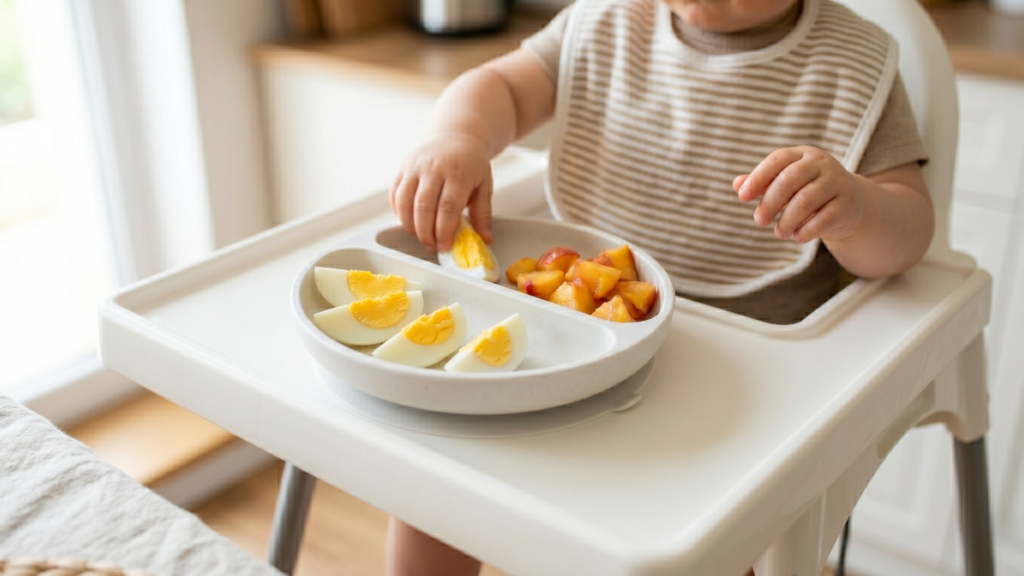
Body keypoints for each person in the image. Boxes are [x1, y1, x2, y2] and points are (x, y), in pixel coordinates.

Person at [385, 0, 934, 573]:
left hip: (737, 397)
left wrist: (858, 209)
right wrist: (457, 136)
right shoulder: (606, 20)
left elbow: (909, 233)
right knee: (435, 479)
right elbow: (503, 88)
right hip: (568, 347)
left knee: (710, 548)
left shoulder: (853, 61)